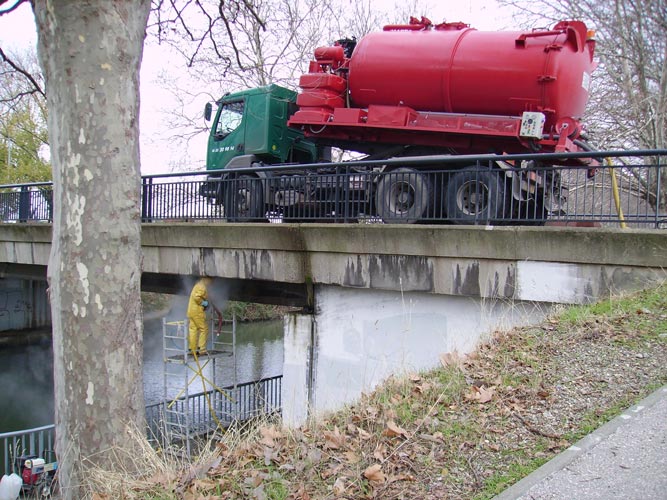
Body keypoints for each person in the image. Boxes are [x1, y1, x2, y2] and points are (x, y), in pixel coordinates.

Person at [187, 277, 213, 355]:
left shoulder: (198, 285)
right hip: (197, 312)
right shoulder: (202, 286)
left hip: (191, 311)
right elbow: (196, 297)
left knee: (193, 329)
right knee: (204, 329)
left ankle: (192, 349)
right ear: (208, 280)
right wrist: (203, 303)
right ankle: (202, 349)